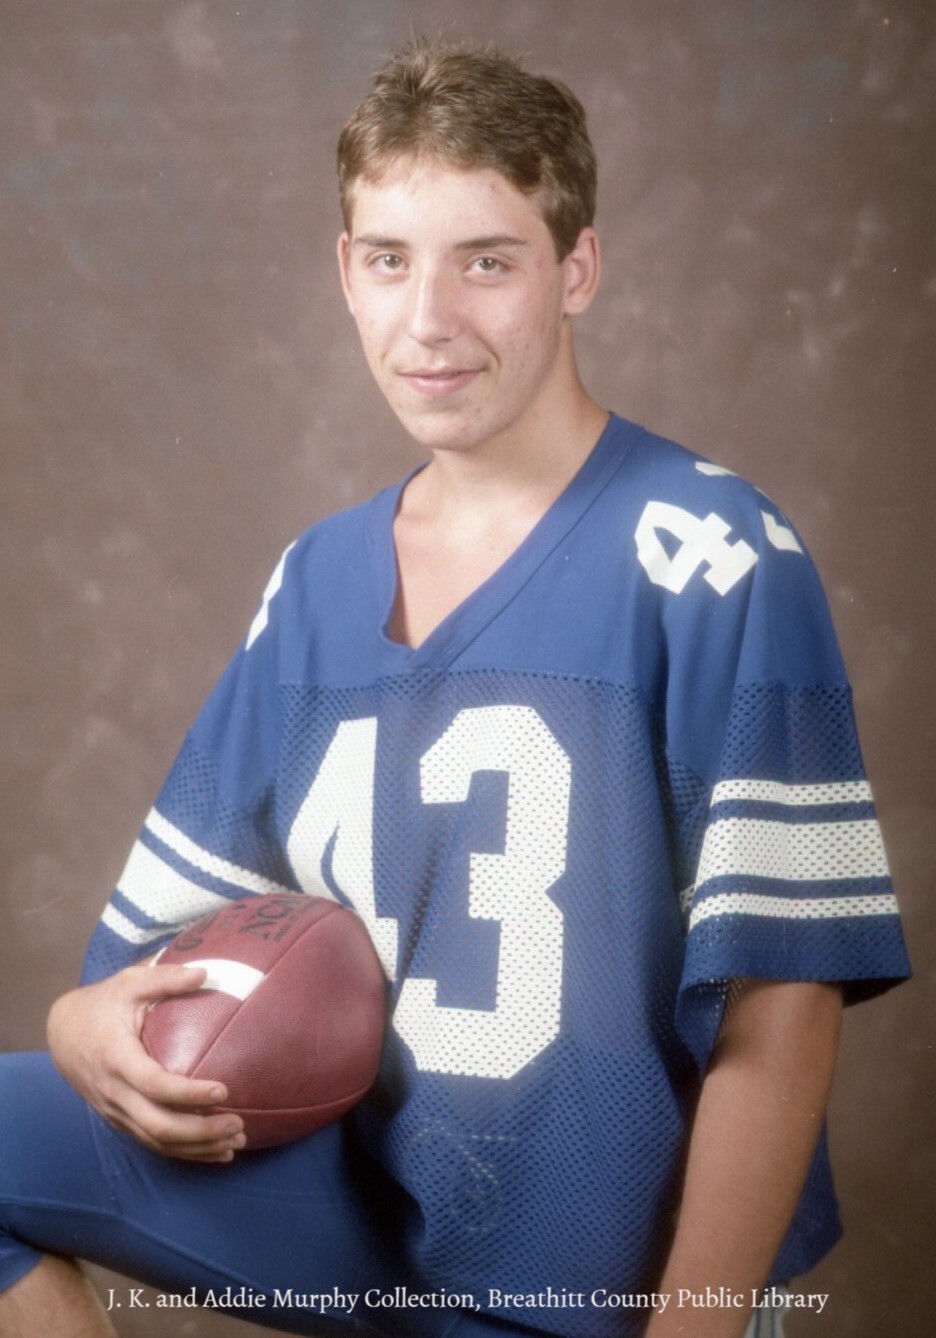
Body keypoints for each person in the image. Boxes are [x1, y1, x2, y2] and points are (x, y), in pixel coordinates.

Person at [0, 37, 910, 1338]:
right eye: (390, 260)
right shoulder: (316, 580)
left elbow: (784, 1004)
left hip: (597, 1258)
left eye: (486, 261)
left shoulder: (712, 557)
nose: (428, 319)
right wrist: (75, 1019)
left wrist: (696, 1323)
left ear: (577, 268)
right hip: (362, 1214)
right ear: (345, 273)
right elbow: (152, 950)